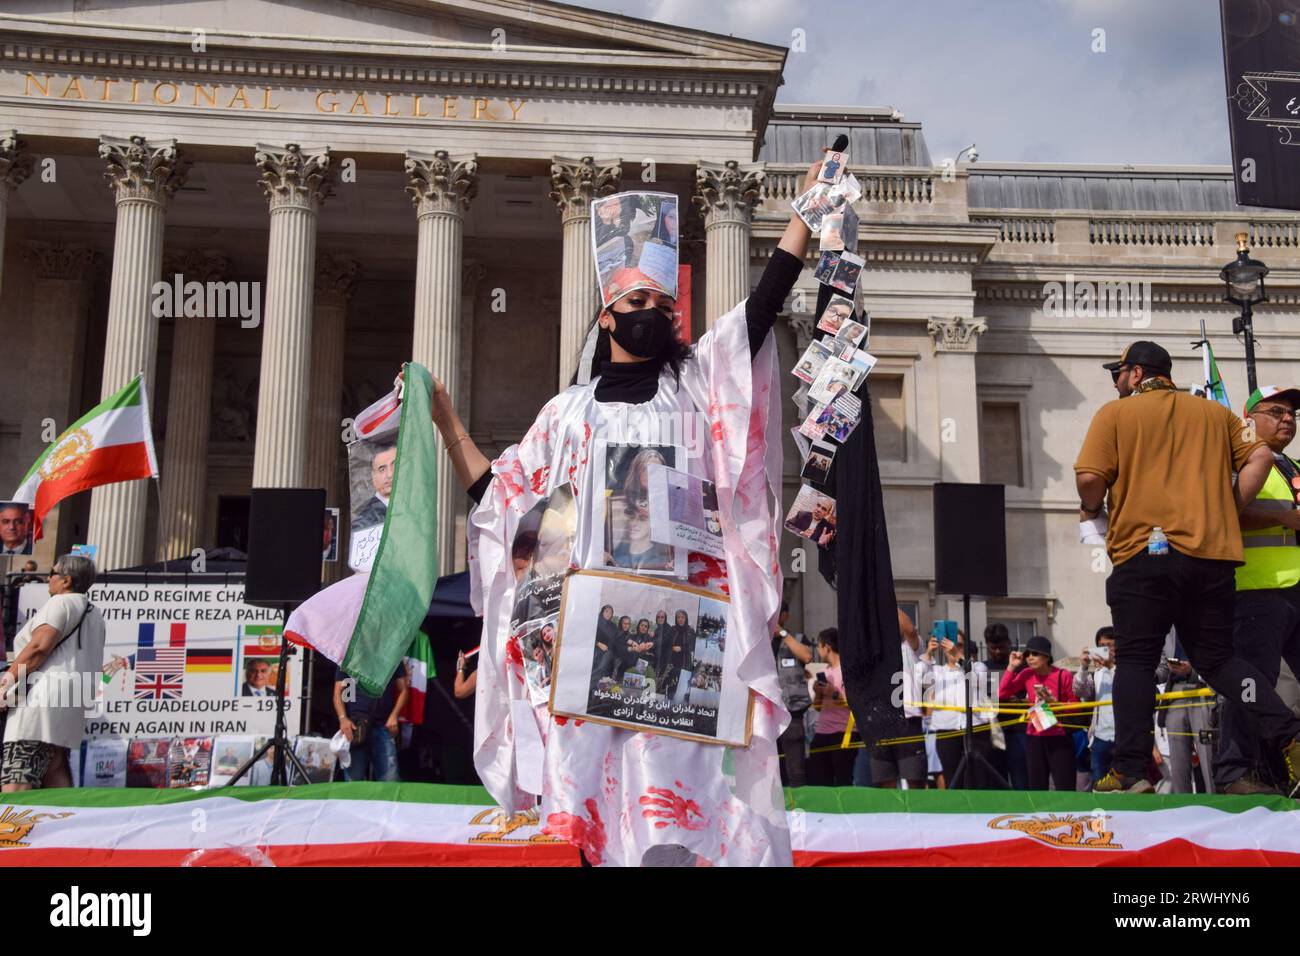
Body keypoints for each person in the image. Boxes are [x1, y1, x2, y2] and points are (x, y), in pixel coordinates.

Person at [436, 160, 825, 864]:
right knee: (594, 826)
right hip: (593, 648)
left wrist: (807, 214)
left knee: (679, 824)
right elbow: (505, 502)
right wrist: (445, 423)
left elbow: (760, 309)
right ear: (606, 315)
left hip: (686, 647)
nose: (652, 312)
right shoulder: (566, 417)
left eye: (661, 302)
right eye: (636, 300)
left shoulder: (696, 386)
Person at [1076, 341, 1300, 793]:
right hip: (1211, 558)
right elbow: (1259, 456)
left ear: (1136, 374)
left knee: (1137, 661)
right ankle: (1290, 734)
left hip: (1146, 555)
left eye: (1118, 373)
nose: (1117, 382)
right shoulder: (1216, 416)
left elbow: (1089, 478)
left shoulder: (1115, 414)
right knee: (1220, 661)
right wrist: (1230, 507)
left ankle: (1132, 770)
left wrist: (1091, 507)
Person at [1217, 386, 1300, 794]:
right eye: (1277, 411)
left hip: (1294, 588)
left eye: (1292, 414)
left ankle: (1279, 766)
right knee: (1254, 682)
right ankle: (1235, 771)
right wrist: (1285, 517)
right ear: (1249, 419)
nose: (1288, 419)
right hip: (1254, 588)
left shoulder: (1293, 466)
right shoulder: (1238, 459)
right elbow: (1226, 509)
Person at [0, 554, 106, 791]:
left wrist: (5, 684)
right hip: (72, 700)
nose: (48, 578)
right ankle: (67, 826)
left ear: (66, 580)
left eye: (52, 573)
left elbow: (38, 648)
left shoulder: (61, 603)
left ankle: (10, 826)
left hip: (41, 699)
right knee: (54, 767)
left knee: (20, 767)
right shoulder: (94, 614)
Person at [999, 636, 1078, 791]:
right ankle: (1040, 815)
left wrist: (1055, 704)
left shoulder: (1063, 675)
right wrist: (1011, 667)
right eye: (1027, 654)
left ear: (1047, 656)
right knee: (1037, 787)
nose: (1030, 658)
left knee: (1065, 785)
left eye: (1035, 654)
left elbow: (1076, 706)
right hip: (1034, 736)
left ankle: (1066, 815)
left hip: (1059, 735)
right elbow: (1002, 693)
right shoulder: (1027, 674)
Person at [916, 629, 992, 787]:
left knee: (978, 779)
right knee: (952, 779)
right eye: (949, 644)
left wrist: (959, 656)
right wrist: (929, 653)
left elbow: (977, 680)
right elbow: (919, 678)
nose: (952, 648)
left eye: (959, 644)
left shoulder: (979, 666)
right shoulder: (937, 670)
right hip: (946, 729)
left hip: (976, 729)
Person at [870, 608, 927, 789]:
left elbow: (909, 628)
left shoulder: (911, 647)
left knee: (914, 780)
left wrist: (885, 597)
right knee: (884, 781)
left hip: (908, 721)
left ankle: (917, 817)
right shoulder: (873, 650)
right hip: (879, 723)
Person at [1156, 635, 1215, 794]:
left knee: (1208, 756)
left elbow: (1217, 659)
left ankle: (1216, 802)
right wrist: (1151, 675)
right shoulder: (1168, 629)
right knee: (1178, 762)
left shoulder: (1207, 620)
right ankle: (1182, 806)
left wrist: (1191, 670)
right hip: (1175, 693)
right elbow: (1163, 667)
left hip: (1203, 690)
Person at [333, 660, 408, 782]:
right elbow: (338, 693)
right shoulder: (350, 657)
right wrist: (343, 718)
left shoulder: (391, 654)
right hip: (355, 727)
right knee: (353, 784)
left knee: (390, 780)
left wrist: (394, 716)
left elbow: (404, 689)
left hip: (383, 726)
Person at [771, 601, 813, 788]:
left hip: (791, 713)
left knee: (795, 769)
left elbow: (807, 656)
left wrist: (781, 632)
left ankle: (800, 811)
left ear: (785, 615)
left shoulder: (795, 638)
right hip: (767, 715)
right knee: (771, 771)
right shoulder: (759, 640)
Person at [807, 628, 856, 786]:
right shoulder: (825, 672)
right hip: (823, 731)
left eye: (819, 646)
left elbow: (856, 703)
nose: (817, 649)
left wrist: (833, 693)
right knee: (819, 779)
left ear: (827, 647)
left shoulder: (849, 671)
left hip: (844, 732)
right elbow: (818, 707)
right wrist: (819, 693)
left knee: (843, 779)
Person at [981, 623, 1023, 788]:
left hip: (1019, 729)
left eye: (1001, 647)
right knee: (997, 781)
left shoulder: (1021, 667)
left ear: (1009, 643)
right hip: (992, 731)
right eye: (993, 648)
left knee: (1021, 780)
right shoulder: (983, 668)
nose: (998, 651)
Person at [1075, 626, 1117, 785]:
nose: (1106, 649)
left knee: (1126, 787)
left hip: (1123, 737)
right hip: (1100, 738)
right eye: (1101, 646)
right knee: (1099, 786)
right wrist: (1084, 667)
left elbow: (1128, 687)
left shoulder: (1126, 669)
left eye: (1110, 645)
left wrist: (1111, 666)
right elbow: (1080, 692)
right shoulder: (1097, 673)